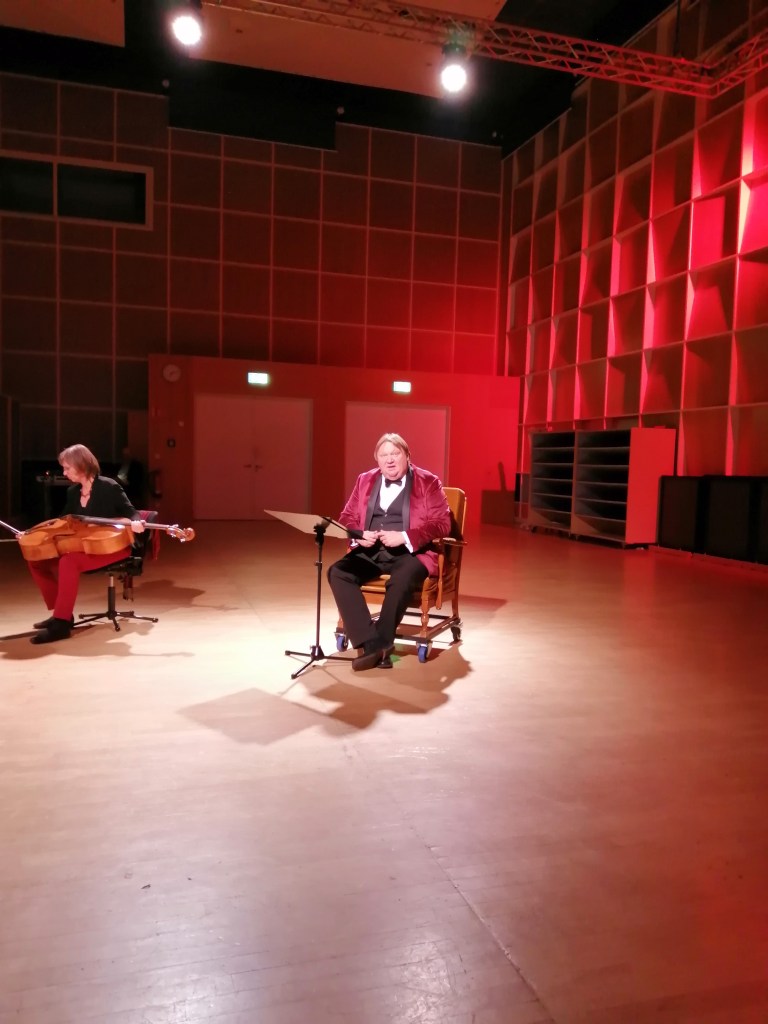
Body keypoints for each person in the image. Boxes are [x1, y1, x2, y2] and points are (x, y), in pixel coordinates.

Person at [328, 432, 451, 671]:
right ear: (377, 459)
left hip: (411, 553)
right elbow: (347, 517)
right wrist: (359, 534)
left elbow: (442, 524)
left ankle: (381, 641)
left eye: (395, 453)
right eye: (384, 455)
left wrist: (404, 536)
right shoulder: (365, 479)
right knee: (337, 572)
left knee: (401, 579)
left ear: (407, 456)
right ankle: (372, 643)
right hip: (371, 550)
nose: (390, 460)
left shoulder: (428, 481)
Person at [26, 443, 145, 645]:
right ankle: (61, 613)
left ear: (81, 466)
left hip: (113, 547)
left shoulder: (109, 486)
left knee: (68, 562)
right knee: (37, 561)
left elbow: (132, 512)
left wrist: (136, 523)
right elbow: (63, 521)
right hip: (85, 546)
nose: (64, 472)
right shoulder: (73, 492)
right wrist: (34, 534)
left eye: (67, 468)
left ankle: (61, 624)